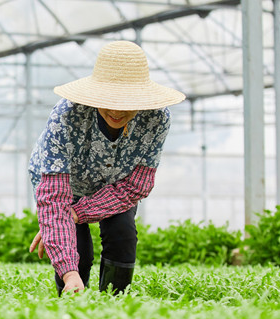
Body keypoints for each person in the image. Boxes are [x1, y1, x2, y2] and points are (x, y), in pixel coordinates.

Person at [26, 41, 185, 297]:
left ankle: (115, 304)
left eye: (127, 102)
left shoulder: (157, 118)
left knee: (122, 232)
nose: (116, 110)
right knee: (79, 249)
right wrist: (69, 268)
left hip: (119, 186)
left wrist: (75, 214)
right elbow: (55, 198)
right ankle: (71, 299)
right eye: (109, 99)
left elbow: (137, 185)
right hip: (68, 183)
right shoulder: (66, 116)